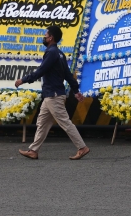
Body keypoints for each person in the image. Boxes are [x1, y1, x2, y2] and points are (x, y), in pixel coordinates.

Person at [15, 26, 90, 160]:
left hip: (53, 95)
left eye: (46, 35)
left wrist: (23, 80)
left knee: (65, 123)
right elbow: (68, 75)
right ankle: (33, 150)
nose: (44, 37)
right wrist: (76, 91)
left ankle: (82, 147)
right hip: (51, 95)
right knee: (42, 122)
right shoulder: (59, 54)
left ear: (51, 38)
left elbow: (41, 70)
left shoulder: (52, 52)